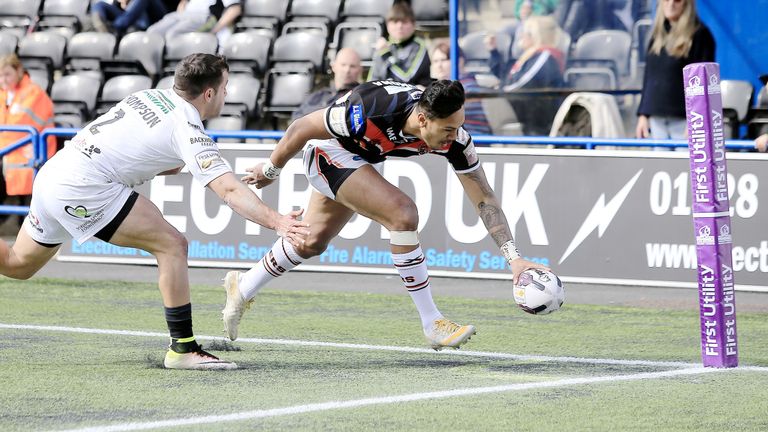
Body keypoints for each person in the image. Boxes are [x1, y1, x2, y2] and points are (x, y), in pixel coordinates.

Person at [0, 54, 309, 370]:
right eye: (225, 86)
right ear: (210, 93)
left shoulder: (148, 96)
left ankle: (183, 348)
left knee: (17, 264)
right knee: (172, 244)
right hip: (85, 188)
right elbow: (228, 191)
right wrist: (278, 222)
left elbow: (156, 156)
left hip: (55, 173)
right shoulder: (187, 127)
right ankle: (183, 349)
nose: (228, 94)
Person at [219, 79, 549, 349]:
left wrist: (514, 258)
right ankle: (431, 321)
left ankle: (243, 286)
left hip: (364, 160)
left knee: (311, 241)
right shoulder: (367, 108)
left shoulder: (456, 140)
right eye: (448, 129)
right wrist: (271, 169)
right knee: (403, 214)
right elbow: (301, 128)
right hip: (329, 152)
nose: (456, 136)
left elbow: (485, 198)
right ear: (423, 120)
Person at [635, 0, 715, 141]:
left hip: (685, 121)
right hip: (656, 118)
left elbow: (702, 83)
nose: (671, 4)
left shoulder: (701, 35)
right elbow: (649, 77)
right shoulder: (656, 36)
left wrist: (696, 120)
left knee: (684, 163)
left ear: (687, 4)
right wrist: (643, 114)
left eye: (677, 0)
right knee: (660, 163)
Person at [489, 15, 566, 135]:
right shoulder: (530, 56)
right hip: (526, 115)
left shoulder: (545, 56)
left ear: (536, 36)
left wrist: (499, 89)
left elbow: (521, 84)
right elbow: (507, 77)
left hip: (538, 123)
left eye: (525, 33)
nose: (521, 36)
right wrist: (493, 52)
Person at [0, 54, 55, 204]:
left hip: (31, 155)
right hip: (10, 154)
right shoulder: (3, 95)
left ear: (19, 71)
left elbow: (17, 131)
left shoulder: (34, 93)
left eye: (7, 74)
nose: (3, 80)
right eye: (0, 76)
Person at [430, 42, 492, 136]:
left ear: (460, 61)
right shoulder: (440, 87)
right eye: (435, 61)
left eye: (444, 60)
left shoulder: (468, 85)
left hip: (473, 138)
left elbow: (446, 111)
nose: (439, 65)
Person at [368, 1, 432, 88]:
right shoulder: (384, 46)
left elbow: (406, 78)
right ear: (387, 25)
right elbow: (371, 81)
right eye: (395, 21)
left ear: (413, 25)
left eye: (404, 21)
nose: (399, 26)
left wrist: (386, 55)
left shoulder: (420, 46)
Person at [290, 48, 362, 123]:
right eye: (343, 65)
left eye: (352, 66)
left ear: (360, 70)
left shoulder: (361, 97)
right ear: (334, 66)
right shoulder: (317, 95)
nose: (347, 70)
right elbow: (296, 118)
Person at [147, 0, 242, 45]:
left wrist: (214, 30)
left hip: (204, 17)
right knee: (152, 32)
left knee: (173, 34)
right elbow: (183, 3)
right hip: (181, 15)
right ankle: (150, 71)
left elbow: (235, 9)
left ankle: (177, 72)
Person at [91, 0, 168, 36]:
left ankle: (113, 29)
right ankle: (103, 27)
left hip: (152, 18)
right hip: (128, 18)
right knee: (99, 5)